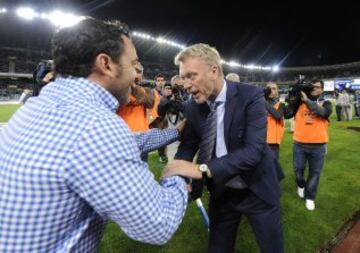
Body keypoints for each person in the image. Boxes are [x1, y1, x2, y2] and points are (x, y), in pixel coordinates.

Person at [0, 18, 188, 252]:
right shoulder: (95, 126)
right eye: (133, 64)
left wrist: (172, 133)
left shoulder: (39, 106)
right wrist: (176, 176)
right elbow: (158, 224)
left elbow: (127, 142)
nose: (135, 75)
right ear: (106, 64)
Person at [163, 43, 283, 253]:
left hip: (257, 188)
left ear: (214, 71)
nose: (185, 85)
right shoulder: (193, 105)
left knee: (272, 248)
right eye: (183, 77)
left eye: (191, 76)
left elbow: (254, 151)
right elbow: (189, 145)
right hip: (221, 192)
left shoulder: (251, 96)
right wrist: (180, 174)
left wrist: (201, 170)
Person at [285, 79, 332, 211]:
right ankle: (301, 184)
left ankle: (310, 197)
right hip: (300, 144)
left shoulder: (326, 103)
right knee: (298, 170)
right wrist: (293, 98)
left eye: (317, 87)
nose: (314, 89)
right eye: (313, 87)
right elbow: (287, 114)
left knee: (315, 173)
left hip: (319, 146)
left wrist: (306, 100)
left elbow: (324, 113)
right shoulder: (300, 102)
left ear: (322, 90)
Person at [264, 81, 285, 162]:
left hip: (273, 143)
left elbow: (277, 115)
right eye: (269, 89)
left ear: (277, 91)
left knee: (272, 168)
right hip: (259, 141)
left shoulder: (281, 105)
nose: (271, 91)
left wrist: (262, 100)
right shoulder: (257, 103)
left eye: (274, 89)